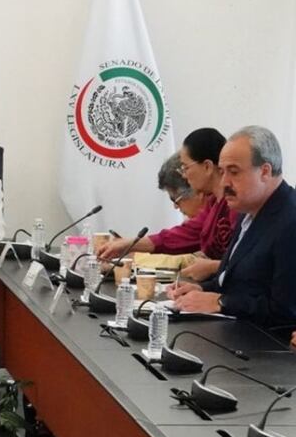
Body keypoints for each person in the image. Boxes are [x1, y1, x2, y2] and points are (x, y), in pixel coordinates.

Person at [170, 126, 296, 327]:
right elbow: (237, 282)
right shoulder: (248, 210)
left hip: (263, 342)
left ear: (265, 171)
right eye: (222, 172)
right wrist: (203, 289)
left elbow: (286, 311)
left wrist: (221, 302)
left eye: (234, 172)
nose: (224, 182)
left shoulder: (290, 221)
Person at [99, 128, 236, 283]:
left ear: (207, 167)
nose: (184, 175)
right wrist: (128, 244)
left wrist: (212, 268)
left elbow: (248, 263)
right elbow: (179, 237)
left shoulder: (237, 204)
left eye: (185, 167)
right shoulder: (214, 205)